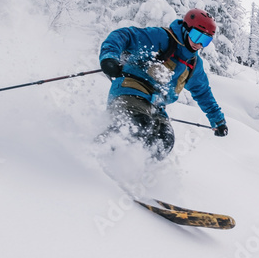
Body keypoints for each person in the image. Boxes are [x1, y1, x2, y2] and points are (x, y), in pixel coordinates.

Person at [98, 9, 228, 160]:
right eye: (196, 36)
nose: (199, 44)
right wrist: (109, 57)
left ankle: (135, 172)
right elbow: (124, 35)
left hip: (156, 106)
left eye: (205, 40)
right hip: (130, 90)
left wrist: (218, 120)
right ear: (186, 29)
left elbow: (203, 93)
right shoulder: (161, 38)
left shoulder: (193, 64)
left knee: (164, 141)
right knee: (138, 124)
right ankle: (97, 155)